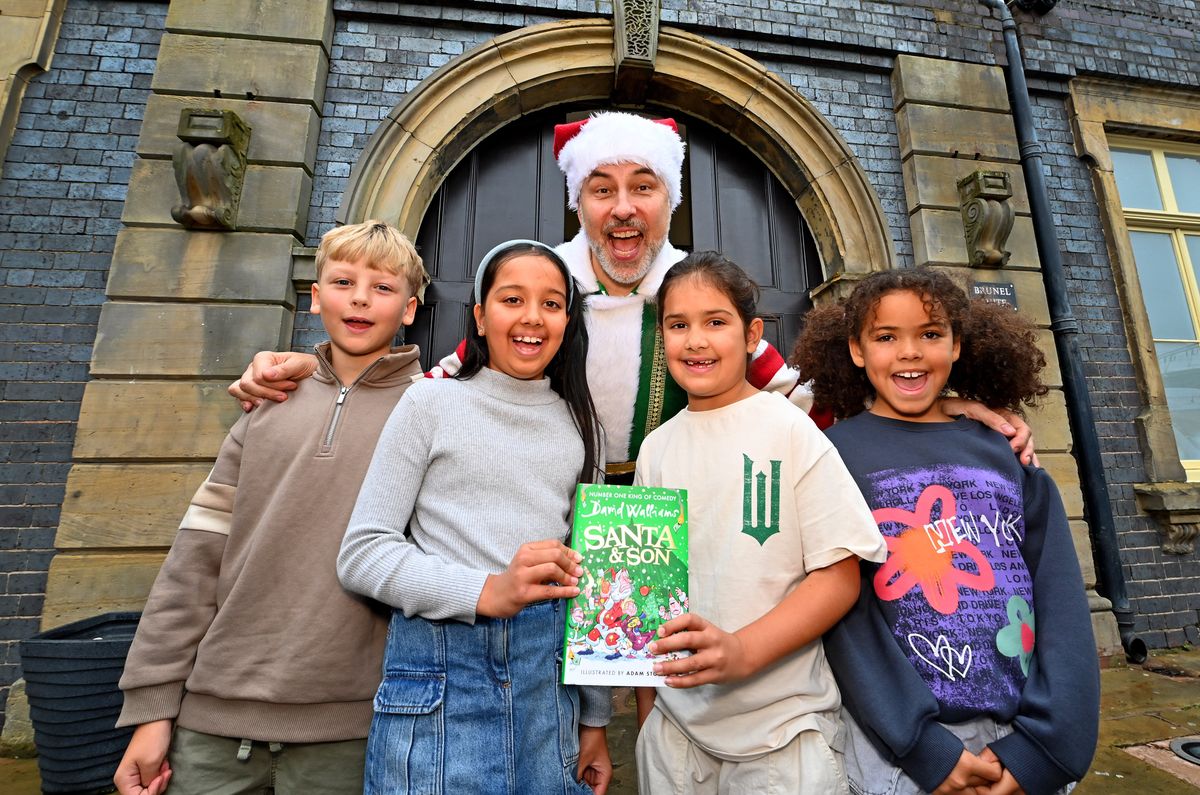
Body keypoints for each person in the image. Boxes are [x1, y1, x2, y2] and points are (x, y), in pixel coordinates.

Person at [227, 112, 1037, 474]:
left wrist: (954, 408)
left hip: (678, 513)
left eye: (643, 186)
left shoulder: (698, 302)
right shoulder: (539, 297)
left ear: (669, 201)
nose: (622, 207)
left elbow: (814, 405)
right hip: (549, 518)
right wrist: (314, 372)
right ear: (577, 200)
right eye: (602, 187)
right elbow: (435, 385)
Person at [113, 221, 430, 795]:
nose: (360, 297)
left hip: (352, 728)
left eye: (382, 288)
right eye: (342, 281)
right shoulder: (263, 405)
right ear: (314, 298)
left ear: (410, 309)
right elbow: (193, 563)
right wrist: (152, 709)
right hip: (211, 722)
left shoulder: (432, 412)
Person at [793, 268, 1100, 795]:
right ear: (857, 350)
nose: (909, 352)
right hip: (898, 750)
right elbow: (849, 618)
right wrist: (923, 747)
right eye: (886, 336)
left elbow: (1061, 603)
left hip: (1022, 738)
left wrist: (1043, 751)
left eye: (930, 334)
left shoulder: (1006, 453)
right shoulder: (832, 457)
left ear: (957, 345)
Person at [336, 240, 612, 794]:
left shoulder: (582, 427)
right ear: (482, 318)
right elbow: (362, 554)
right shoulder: (429, 404)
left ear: (567, 322)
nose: (533, 317)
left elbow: (594, 583)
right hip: (439, 680)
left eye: (552, 304)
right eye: (513, 299)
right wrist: (485, 590)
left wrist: (596, 721)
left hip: (546, 692)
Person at [631, 251, 887, 793]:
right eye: (678, 325)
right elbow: (645, 593)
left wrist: (743, 650)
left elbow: (838, 578)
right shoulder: (656, 449)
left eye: (715, 322)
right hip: (676, 737)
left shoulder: (792, 431)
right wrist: (648, 715)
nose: (696, 340)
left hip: (784, 735)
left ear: (752, 335)